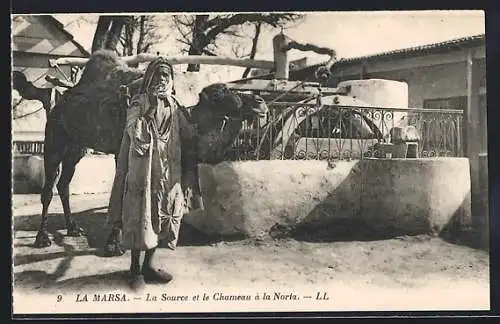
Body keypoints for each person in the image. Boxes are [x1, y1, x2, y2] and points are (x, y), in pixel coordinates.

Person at [107, 57, 201, 290]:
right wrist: (148, 111)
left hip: (169, 171)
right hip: (144, 170)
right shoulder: (139, 101)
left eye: (166, 75)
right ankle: (134, 269)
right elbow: (132, 128)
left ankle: (149, 265)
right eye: (158, 74)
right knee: (141, 214)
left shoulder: (175, 105)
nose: (161, 79)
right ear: (149, 77)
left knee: (160, 215)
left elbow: (188, 134)